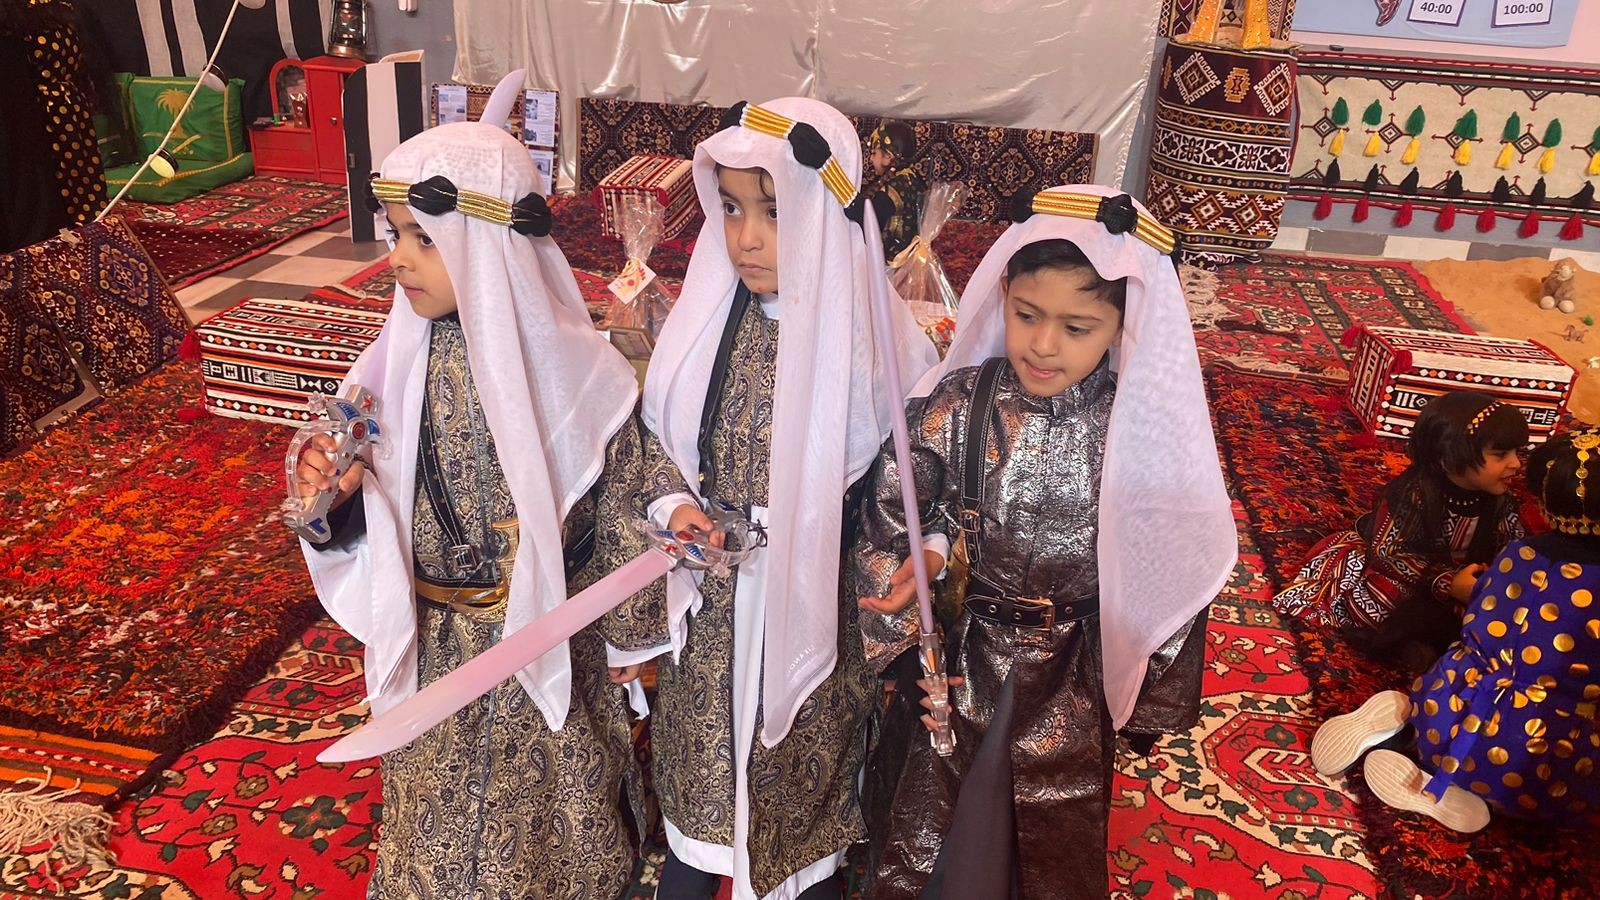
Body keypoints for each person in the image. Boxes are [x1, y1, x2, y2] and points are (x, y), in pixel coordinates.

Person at [294, 108, 650, 899]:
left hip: (542, 635)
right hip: (437, 647)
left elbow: (625, 501)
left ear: (486, 242)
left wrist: (629, 632)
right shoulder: (385, 368)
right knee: (436, 821)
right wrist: (331, 503)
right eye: (397, 235)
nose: (398, 259)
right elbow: (350, 508)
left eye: (424, 239)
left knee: (545, 830)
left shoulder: (578, 371)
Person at [854, 186, 1236, 899]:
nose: (1043, 344)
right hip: (967, 654)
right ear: (1003, 294)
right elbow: (900, 505)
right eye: (1026, 315)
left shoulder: (1136, 430)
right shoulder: (959, 403)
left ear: (1122, 325)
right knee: (941, 813)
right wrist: (923, 565)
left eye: (1077, 326)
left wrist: (1151, 692)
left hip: (1074, 665)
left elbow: (1172, 556)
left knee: (1051, 821)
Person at [624, 97, 939, 900]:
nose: (746, 238)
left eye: (774, 211)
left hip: (813, 604)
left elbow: (915, 487)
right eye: (731, 208)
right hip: (715, 607)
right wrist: (676, 507)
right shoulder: (704, 327)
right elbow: (653, 444)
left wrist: (902, 557)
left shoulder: (876, 350)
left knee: (798, 816)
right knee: (701, 812)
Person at [1311, 427, 1600, 832]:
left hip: (1447, 706)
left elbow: (1480, 610)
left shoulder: (1518, 553)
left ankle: (1407, 729)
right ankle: (1478, 799)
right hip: (1530, 752)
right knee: (1558, 780)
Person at [1275, 392, 1528, 668]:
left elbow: (1512, 548)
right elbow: (1388, 554)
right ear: (1450, 456)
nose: (1516, 464)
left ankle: (1430, 640)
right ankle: (1404, 641)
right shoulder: (1413, 493)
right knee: (1382, 596)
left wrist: (1493, 579)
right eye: (1501, 455)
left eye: (1518, 453)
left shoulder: (1501, 502)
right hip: (1408, 577)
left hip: (1465, 583)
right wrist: (1447, 583)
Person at [866, 121, 927, 261]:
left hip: (891, 263)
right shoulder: (915, 178)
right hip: (912, 259)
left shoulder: (888, 193)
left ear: (888, 156)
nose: (871, 159)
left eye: (874, 153)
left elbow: (870, 227)